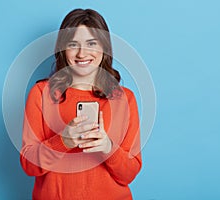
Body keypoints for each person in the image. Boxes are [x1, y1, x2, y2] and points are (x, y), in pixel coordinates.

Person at [20, 8, 142, 200]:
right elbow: (29, 165)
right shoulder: (41, 94)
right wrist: (62, 142)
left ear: (104, 48)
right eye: (73, 44)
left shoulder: (125, 99)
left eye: (91, 44)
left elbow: (130, 173)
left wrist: (108, 148)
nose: (82, 53)